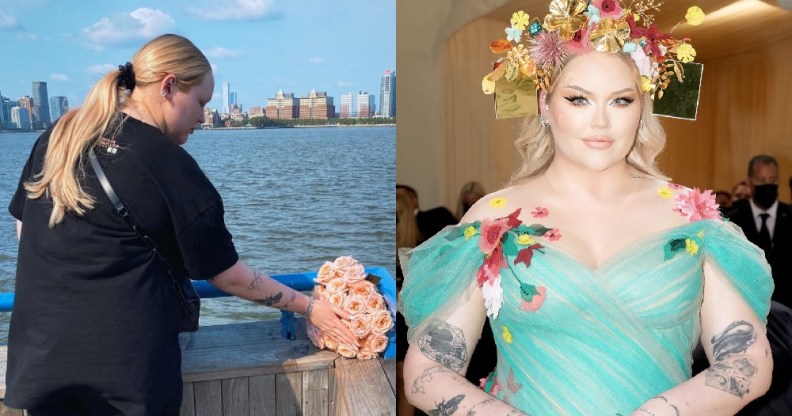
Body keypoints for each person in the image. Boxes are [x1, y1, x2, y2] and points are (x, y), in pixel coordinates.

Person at [399, 4, 774, 415]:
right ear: (544, 104)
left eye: (620, 101)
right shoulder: (495, 219)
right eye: (578, 99)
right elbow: (427, 368)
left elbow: (748, 360)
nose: (600, 122)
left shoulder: (692, 217)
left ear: (641, 108)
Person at [6, 34, 356, 416]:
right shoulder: (167, 164)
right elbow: (227, 275)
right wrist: (309, 306)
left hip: (42, 364)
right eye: (201, 102)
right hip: (124, 377)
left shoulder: (59, 136)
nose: (203, 117)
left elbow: (26, 231)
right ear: (169, 86)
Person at [727, 155, 792, 308]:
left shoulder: (790, 215)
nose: (768, 185)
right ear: (750, 183)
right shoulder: (733, 220)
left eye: (773, 180)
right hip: (748, 305)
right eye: (761, 181)